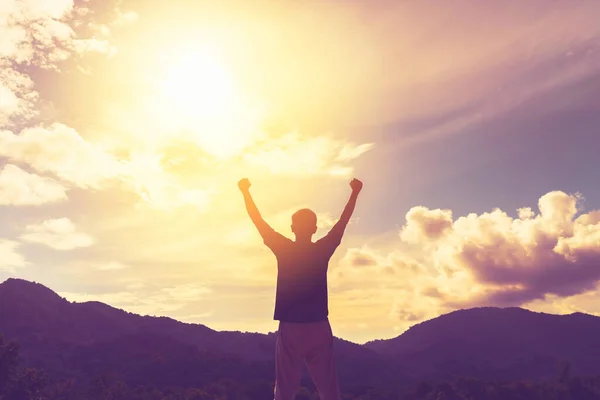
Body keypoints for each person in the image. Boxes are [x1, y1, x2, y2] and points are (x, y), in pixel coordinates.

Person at [238, 177, 363, 400]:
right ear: (315, 228)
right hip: (318, 327)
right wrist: (355, 192)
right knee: (329, 391)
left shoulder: (283, 248)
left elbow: (258, 221)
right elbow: (343, 222)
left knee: (284, 391)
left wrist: (245, 191)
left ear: (292, 228)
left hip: (291, 327)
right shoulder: (322, 249)